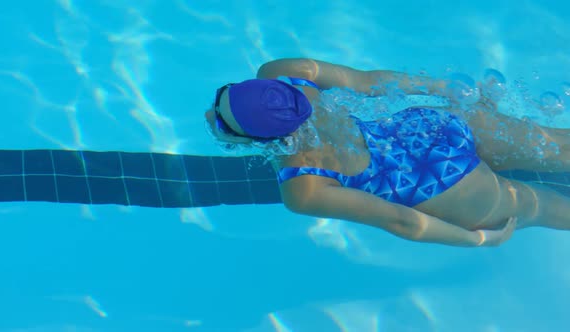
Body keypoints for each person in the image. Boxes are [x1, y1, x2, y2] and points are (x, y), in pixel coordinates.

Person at [205, 58, 570, 247]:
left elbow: (403, 221)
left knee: (548, 207)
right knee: (559, 144)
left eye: (221, 122)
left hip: (438, 184)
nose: (210, 115)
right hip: (431, 128)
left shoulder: (303, 187)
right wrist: (445, 88)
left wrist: (477, 238)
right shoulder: (287, 72)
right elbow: (370, 81)